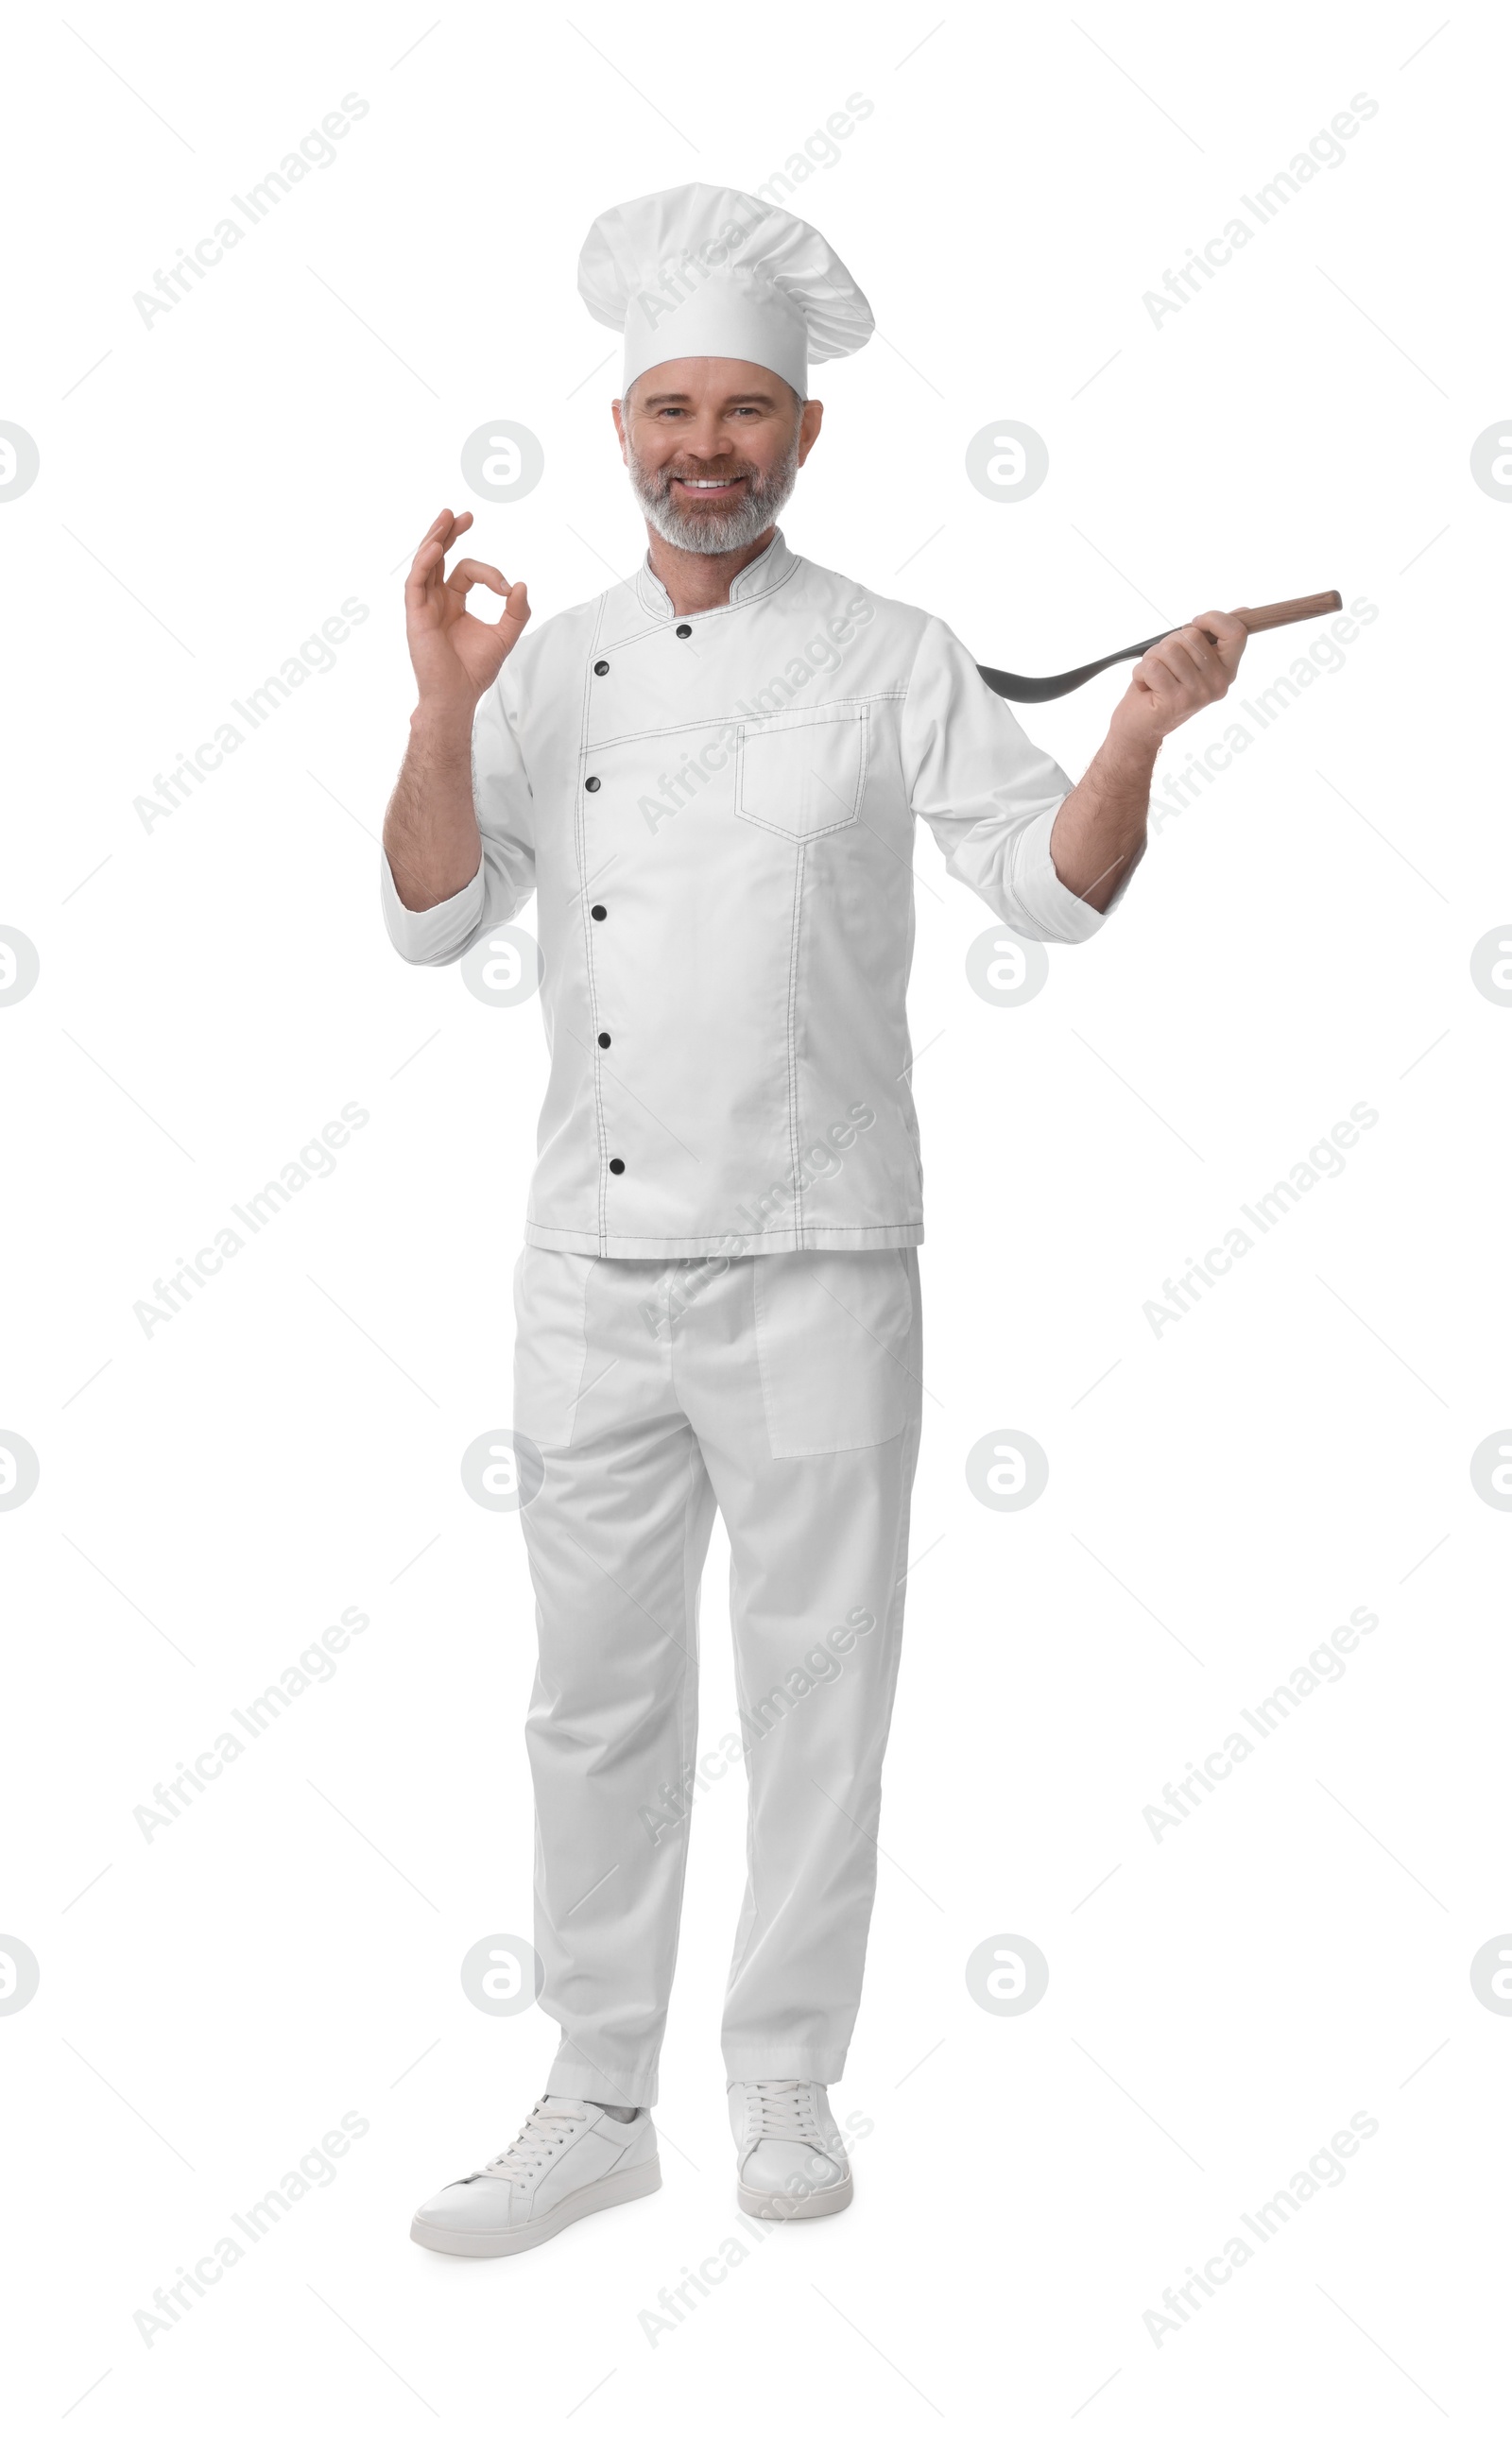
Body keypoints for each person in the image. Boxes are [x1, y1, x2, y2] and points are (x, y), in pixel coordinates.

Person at [384, 182, 1246, 2258]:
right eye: (669, 402)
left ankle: (779, 2079)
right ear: (616, 431)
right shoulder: (549, 667)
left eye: (745, 407)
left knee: (815, 1686)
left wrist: (1130, 734)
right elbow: (427, 917)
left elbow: (1044, 889)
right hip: (585, 1267)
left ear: (803, 436)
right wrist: (433, 693)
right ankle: (596, 2093)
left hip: (820, 1251)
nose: (707, 441)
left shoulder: (894, 658)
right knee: (589, 1697)